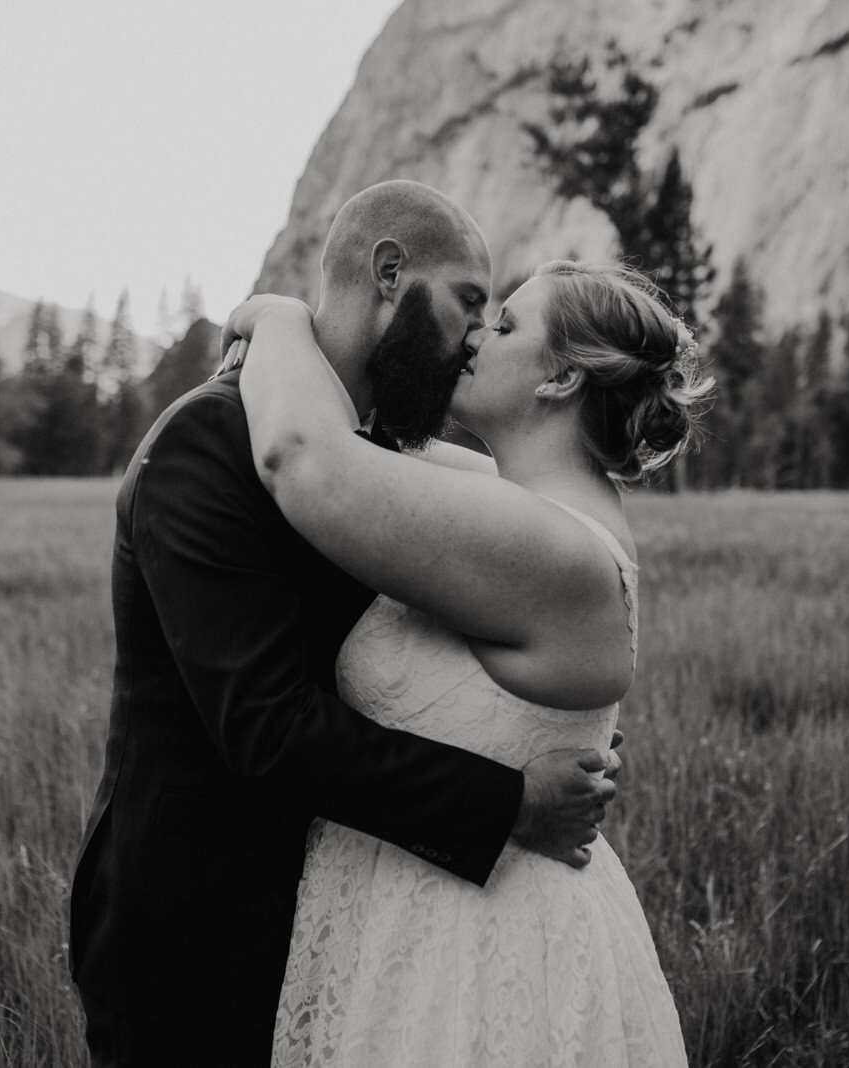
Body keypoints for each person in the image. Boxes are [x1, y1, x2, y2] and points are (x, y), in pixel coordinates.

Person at [67, 181, 620, 1067]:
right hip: (188, 938)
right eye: (468, 302)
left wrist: (545, 726)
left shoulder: (367, 463)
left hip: (331, 929)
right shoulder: (205, 444)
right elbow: (265, 724)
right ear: (391, 274)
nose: (477, 336)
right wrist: (509, 802)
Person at [222, 257, 712, 1065]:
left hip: (481, 956)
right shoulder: (518, 500)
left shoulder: (552, 546)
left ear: (559, 378)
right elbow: (360, 446)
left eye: (508, 325)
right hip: (405, 921)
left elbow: (304, 460)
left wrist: (276, 318)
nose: (477, 334)